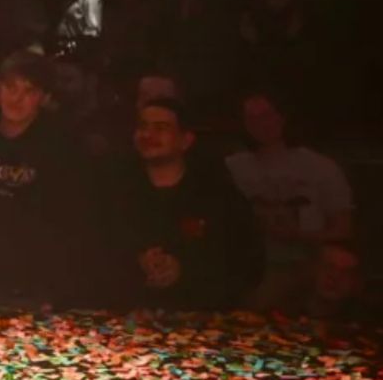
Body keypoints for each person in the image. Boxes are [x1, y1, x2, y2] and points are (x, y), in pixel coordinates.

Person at [0, 51, 90, 307]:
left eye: (27, 91)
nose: (16, 98)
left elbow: (72, 217)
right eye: (10, 87)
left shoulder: (62, 146)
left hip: (39, 284)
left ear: (43, 97)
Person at [109, 99, 261, 311]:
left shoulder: (217, 194)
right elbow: (94, 249)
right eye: (143, 126)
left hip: (201, 318)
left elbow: (245, 260)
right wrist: (138, 260)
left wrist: (184, 269)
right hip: (124, 316)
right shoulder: (113, 190)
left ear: (185, 140)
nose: (148, 135)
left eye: (161, 128)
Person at [224, 91, 356, 312]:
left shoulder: (321, 167)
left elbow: (344, 229)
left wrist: (297, 236)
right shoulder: (232, 167)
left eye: (266, 115)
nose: (260, 124)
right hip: (246, 263)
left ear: (282, 117)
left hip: (305, 264)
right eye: (252, 118)